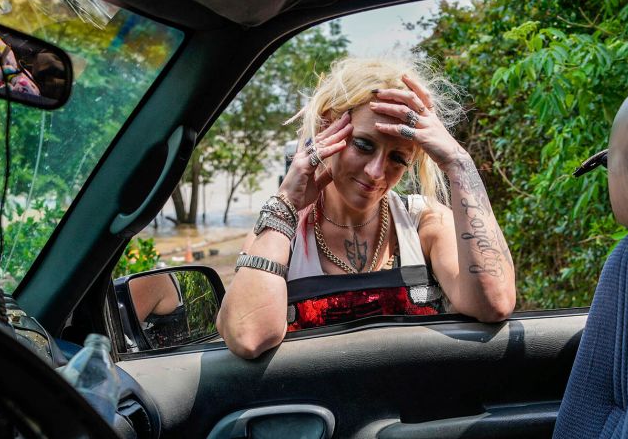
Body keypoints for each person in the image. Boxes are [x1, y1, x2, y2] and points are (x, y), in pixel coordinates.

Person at [215, 57, 516, 360]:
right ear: (326, 125)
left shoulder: (424, 222)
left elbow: (494, 303)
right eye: (363, 145)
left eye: (397, 159)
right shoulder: (281, 229)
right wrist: (286, 203)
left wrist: (459, 163)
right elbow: (248, 337)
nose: (376, 171)